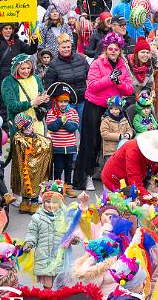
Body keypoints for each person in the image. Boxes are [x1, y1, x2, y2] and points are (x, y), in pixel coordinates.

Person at [73, 33, 133, 191]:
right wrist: (109, 79)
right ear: (106, 50)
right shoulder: (97, 64)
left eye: (116, 49)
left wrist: (118, 81)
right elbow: (92, 85)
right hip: (95, 105)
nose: (113, 51)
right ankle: (84, 177)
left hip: (113, 109)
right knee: (90, 142)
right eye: (110, 49)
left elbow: (129, 88)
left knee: (112, 143)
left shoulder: (122, 66)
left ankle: (107, 174)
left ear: (120, 51)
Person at [101, 130, 158, 195]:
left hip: (140, 178)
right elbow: (135, 184)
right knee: (120, 209)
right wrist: (153, 201)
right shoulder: (133, 151)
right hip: (115, 180)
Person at [0, 22, 38, 117]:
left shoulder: (18, 42)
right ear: (1, 30)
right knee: (4, 105)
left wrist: (35, 40)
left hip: (16, 78)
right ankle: (6, 128)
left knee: (16, 102)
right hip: (1, 79)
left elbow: (31, 50)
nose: (8, 31)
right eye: (6, 28)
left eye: (10, 28)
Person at [10, 113, 53, 214]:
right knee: (29, 183)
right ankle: (29, 204)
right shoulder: (19, 139)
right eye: (28, 127)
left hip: (30, 168)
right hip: (26, 167)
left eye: (30, 126)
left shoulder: (19, 137)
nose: (30, 128)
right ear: (22, 128)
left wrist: (46, 141)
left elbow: (42, 142)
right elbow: (32, 147)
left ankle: (29, 204)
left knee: (31, 183)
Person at [44, 33, 90, 120]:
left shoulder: (80, 59)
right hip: (65, 103)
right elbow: (49, 86)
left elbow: (90, 76)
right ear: (58, 48)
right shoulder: (54, 64)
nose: (66, 49)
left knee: (83, 128)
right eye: (63, 47)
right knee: (68, 129)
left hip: (82, 100)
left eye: (68, 47)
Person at [45, 83, 79, 193]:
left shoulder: (73, 112)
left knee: (69, 168)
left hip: (69, 146)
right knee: (58, 168)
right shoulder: (51, 113)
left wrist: (64, 123)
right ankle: (58, 187)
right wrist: (60, 120)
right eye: (60, 101)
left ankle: (68, 186)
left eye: (65, 101)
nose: (63, 104)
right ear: (56, 101)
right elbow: (52, 127)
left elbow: (73, 127)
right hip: (57, 146)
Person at [1, 54, 47, 135]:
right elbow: (12, 105)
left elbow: (41, 98)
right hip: (20, 126)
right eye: (23, 68)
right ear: (16, 68)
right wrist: (32, 103)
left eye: (28, 68)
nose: (26, 71)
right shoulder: (8, 81)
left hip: (38, 123)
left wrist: (44, 99)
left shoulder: (35, 78)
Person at [100, 95, 132, 163]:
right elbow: (104, 134)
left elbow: (129, 129)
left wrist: (128, 134)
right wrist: (119, 136)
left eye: (116, 109)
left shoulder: (124, 120)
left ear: (120, 110)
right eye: (111, 109)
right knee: (110, 169)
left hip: (121, 149)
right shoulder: (106, 120)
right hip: (110, 151)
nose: (113, 111)